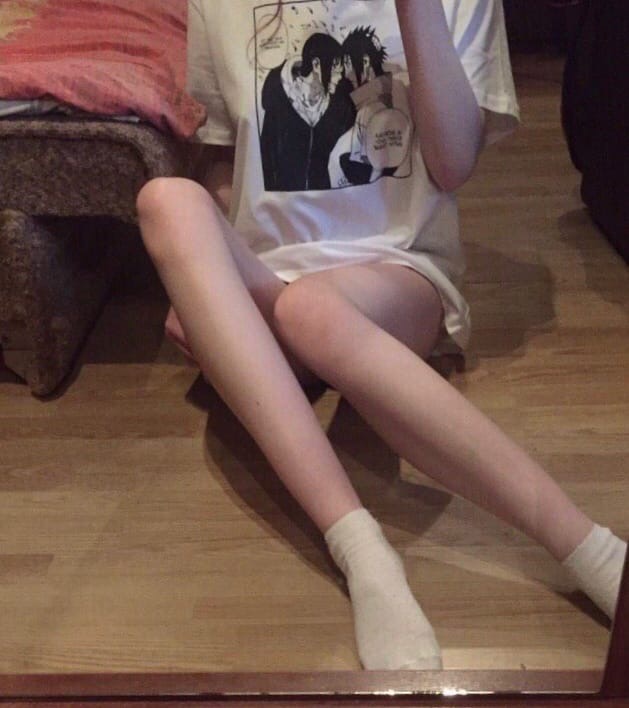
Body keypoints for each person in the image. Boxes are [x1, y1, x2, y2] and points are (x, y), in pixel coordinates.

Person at [136, 0, 627, 670]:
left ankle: (588, 547)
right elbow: (224, 163)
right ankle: (360, 546)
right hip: (270, 280)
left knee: (311, 309)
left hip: (397, 273)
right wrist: (204, 283)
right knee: (166, 201)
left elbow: (454, 164)